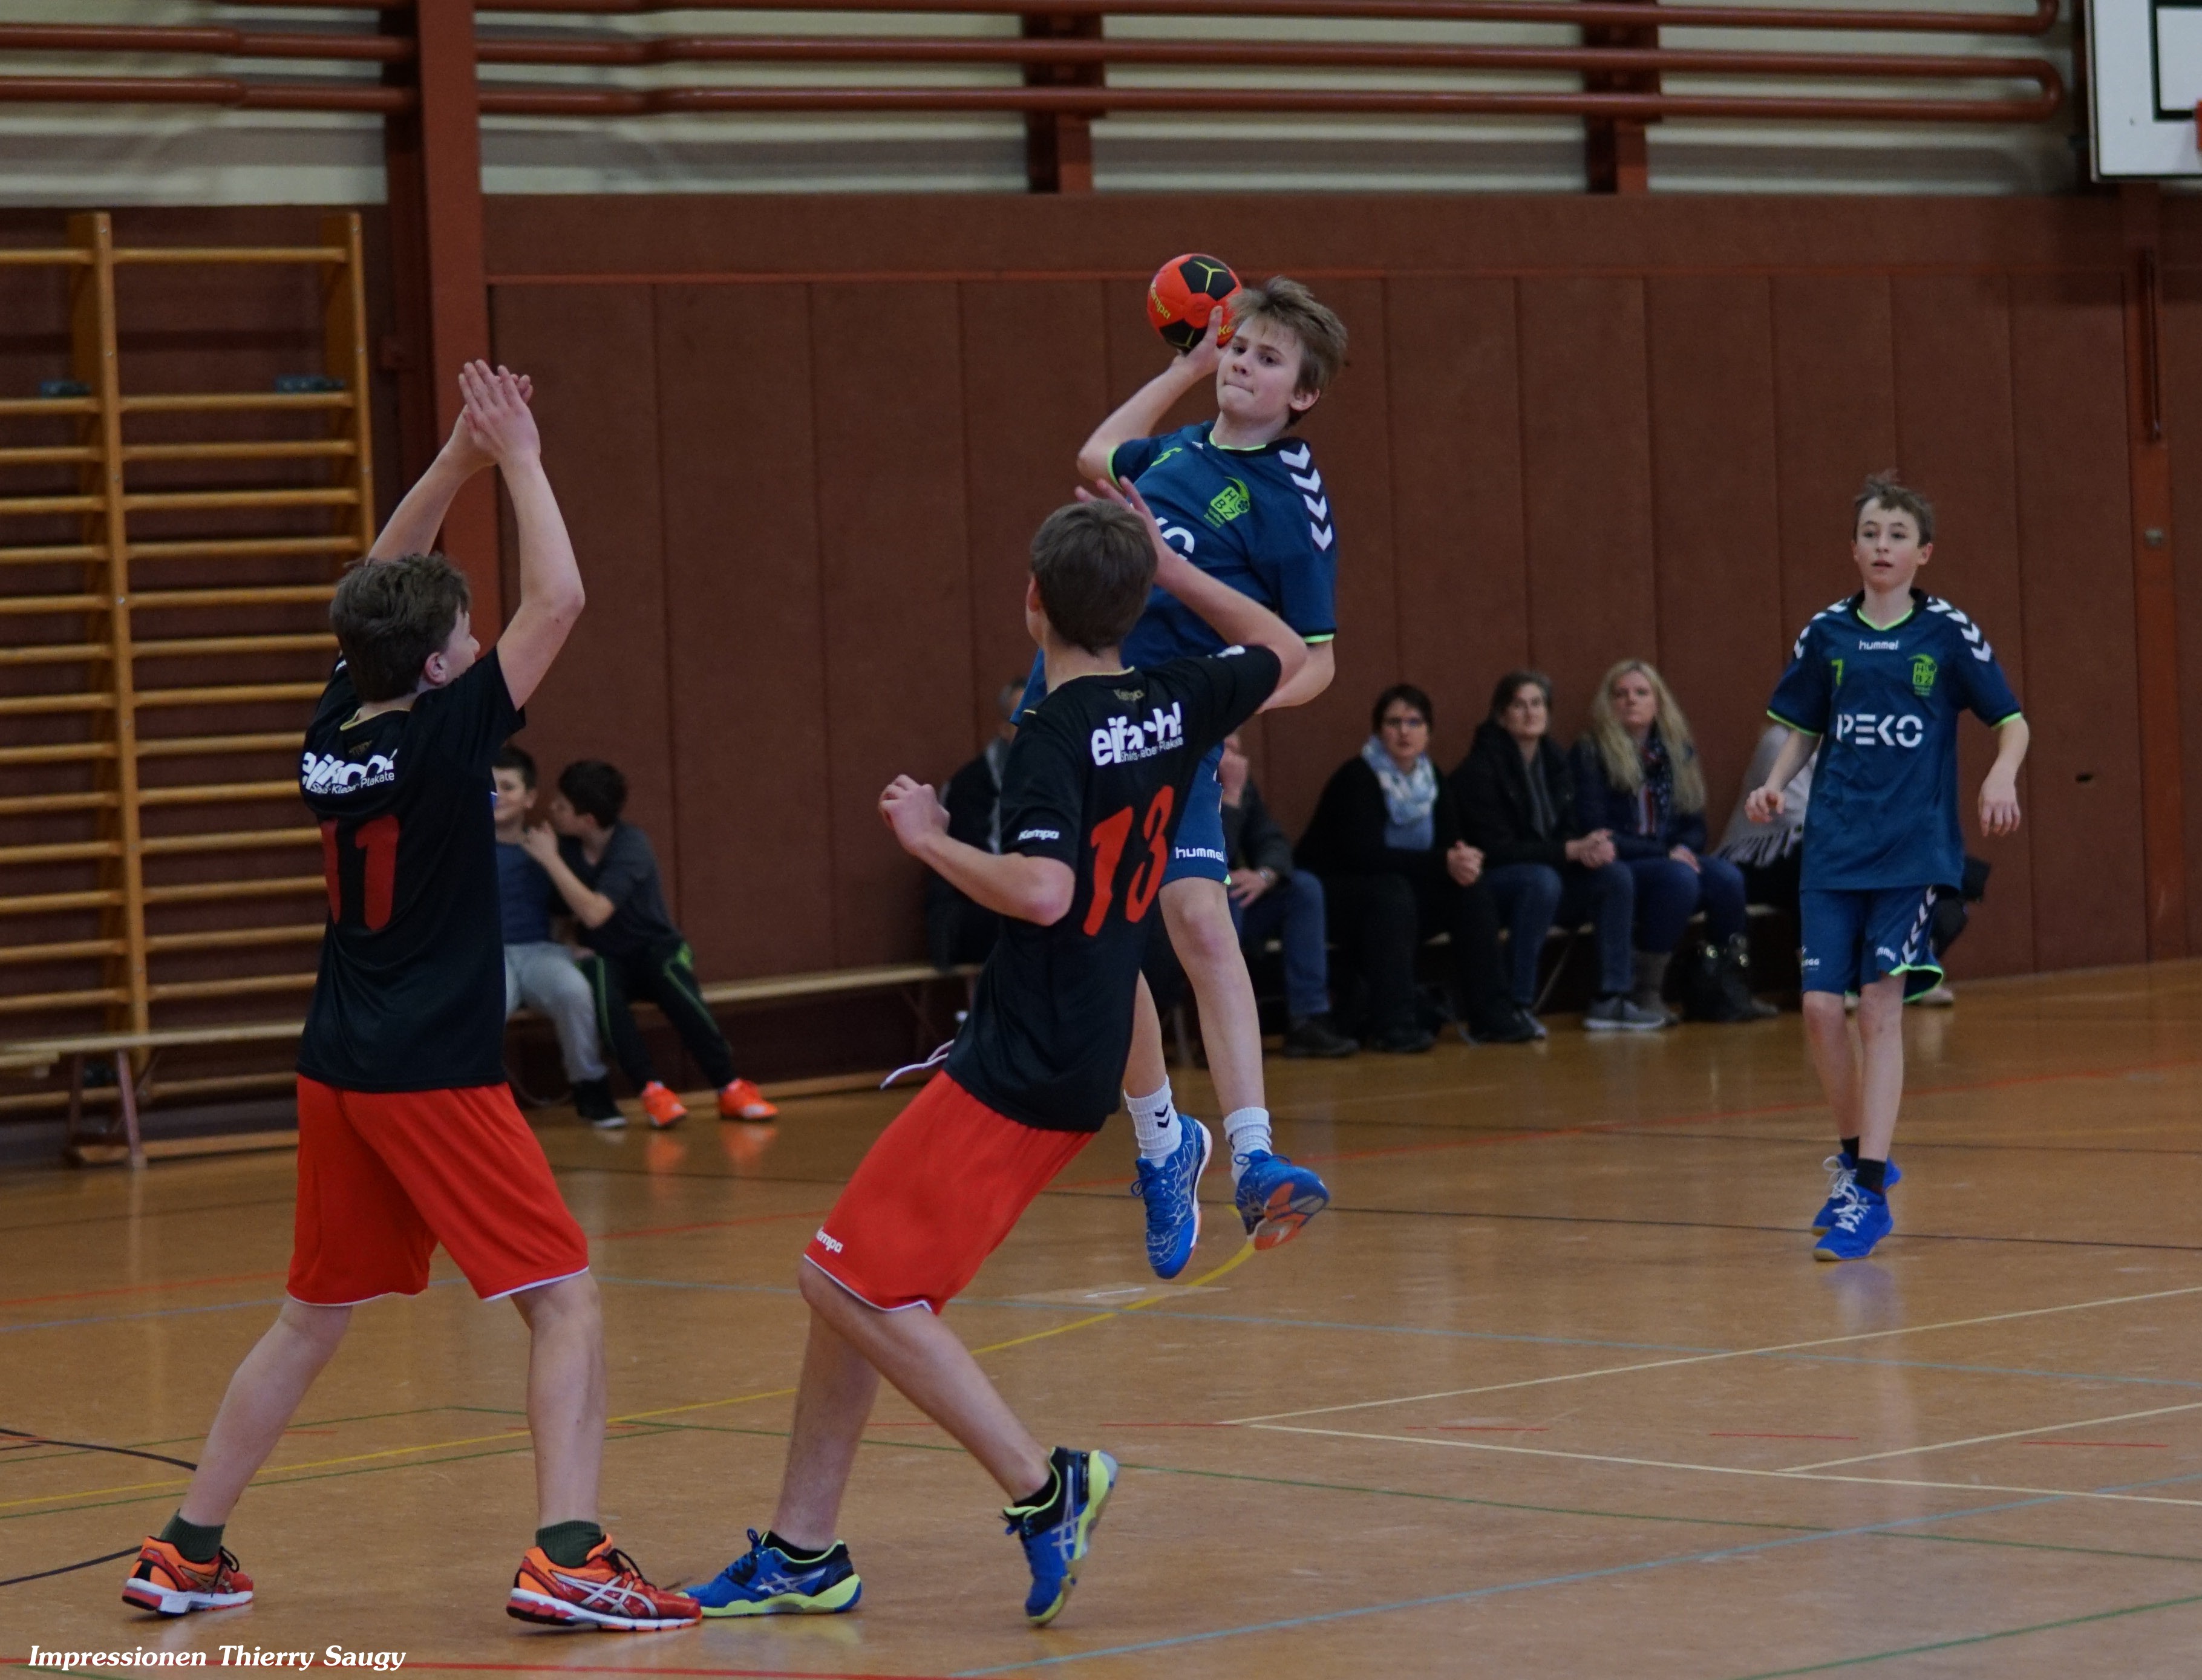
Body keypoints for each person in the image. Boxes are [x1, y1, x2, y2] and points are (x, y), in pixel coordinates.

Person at [121, 364, 697, 1630]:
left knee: (309, 1315)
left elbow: (372, 596)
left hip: (337, 1063)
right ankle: (566, 1550)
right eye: (465, 638)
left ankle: (187, 1547)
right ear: (439, 668)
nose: (483, 644)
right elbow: (564, 595)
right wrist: (522, 457)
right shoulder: (448, 737)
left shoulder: (336, 721)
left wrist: (452, 462)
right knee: (564, 1296)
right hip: (430, 1069)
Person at [688, 485, 1305, 1627]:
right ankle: (803, 1552)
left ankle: (1043, 1485)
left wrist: (931, 838)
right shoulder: (1184, 694)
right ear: (1133, 603)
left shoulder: (1049, 736)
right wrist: (1172, 567)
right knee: (860, 1280)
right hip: (1073, 1050)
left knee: (839, 1279)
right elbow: (1286, 649)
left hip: (1027, 1055)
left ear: (1031, 603)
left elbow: (1043, 888)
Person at [1057, 275, 1350, 1278]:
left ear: (1302, 395)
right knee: (1099, 936)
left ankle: (1256, 1151)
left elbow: (1315, 662)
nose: (1243, 365)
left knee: (1198, 922)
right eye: (1239, 349)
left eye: (1268, 359)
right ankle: (1160, 1141)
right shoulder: (1177, 452)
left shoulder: (1291, 499)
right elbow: (1095, 458)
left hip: (1171, 723)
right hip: (1084, 709)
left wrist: (1226, 705)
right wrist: (1180, 367)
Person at [1746, 472, 2027, 1262]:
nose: (1882, 546)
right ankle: (1858, 1156)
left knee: (1878, 1009)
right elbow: (1802, 727)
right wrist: (1772, 786)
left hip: (1911, 851)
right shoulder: (1826, 633)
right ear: (1854, 547)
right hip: (1834, 846)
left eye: (1897, 535)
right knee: (1816, 1010)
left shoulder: (1946, 632)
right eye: (1871, 533)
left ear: (1922, 552)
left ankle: (1865, 1191)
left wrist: (2000, 774)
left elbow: (2011, 721)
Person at [530, 761, 776, 1130]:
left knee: (674, 979)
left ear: (588, 820)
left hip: (653, 948)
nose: (552, 809)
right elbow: (563, 915)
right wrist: (567, 941)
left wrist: (549, 860)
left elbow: (596, 912)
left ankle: (730, 1086)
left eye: (563, 806)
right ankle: (652, 1090)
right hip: (606, 956)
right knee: (596, 981)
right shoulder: (566, 849)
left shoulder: (631, 846)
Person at [1296, 685, 1535, 1050]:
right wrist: (1442, 862)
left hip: (1400, 897)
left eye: (1414, 722)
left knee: (1469, 891)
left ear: (1428, 731)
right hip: (1338, 896)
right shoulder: (1357, 777)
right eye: (1394, 723)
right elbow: (1365, 856)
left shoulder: (1433, 780)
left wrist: (1463, 862)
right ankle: (1394, 1025)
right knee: (1392, 893)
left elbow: (1450, 844)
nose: (1404, 731)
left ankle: (1493, 1014)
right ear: (1379, 731)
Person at [1453, 671, 1662, 1031]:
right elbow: (1496, 850)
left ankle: (1611, 998)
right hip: (1493, 885)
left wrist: (1590, 848)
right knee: (1541, 881)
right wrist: (1569, 850)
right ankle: (1517, 1004)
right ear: (1501, 715)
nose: (1530, 712)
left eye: (1537, 704)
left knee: (1614, 876)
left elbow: (1568, 828)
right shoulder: (1480, 769)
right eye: (1519, 705)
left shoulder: (1554, 760)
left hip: (1549, 874)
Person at [1575, 661, 1774, 1023]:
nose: (1630, 701)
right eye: (1620, 694)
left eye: (1641, 693)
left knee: (1727, 878)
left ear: (1658, 702)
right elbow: (1596, 829)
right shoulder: (1591, 753)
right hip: (1623, 861)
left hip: (1670, 855)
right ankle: (1646, 990)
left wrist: (1683, 848)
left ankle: (1726, 986)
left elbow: (1694, 823)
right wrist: (1667, 853)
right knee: (1678, 879)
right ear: (1608, 704)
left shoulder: (1676, 752)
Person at [492, 745, 623, 1125]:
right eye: (489, 786)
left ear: (530, 797)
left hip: (538, 951)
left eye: (508, 786)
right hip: (487, 954)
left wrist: (567, 944)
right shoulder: (465, 846)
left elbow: (565, 910)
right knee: (487, 1003)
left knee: (573, 991)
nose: (498, 794)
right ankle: (480, 1101)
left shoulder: (548, 846)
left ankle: (591, 1088)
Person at [1216, 732, 1356, 1058]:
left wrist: (1264, 875)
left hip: (1236, 900)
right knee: (1222, 900)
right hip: (1187, 912)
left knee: (1304, 890)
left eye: (1239, 746)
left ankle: (1308, 1019)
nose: (1234, 756)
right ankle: (1228, 1029)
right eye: (1225, 748)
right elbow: (1211, 859)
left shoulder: (1240, 784)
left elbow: (1272, 839)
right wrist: (1232, 797)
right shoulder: (1189, 788)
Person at [925, 678, 1026, 969]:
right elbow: (974, 872)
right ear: (1004, 729)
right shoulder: (973, 785)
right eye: (1023, 720)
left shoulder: (1056, 776)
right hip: (968, 914)